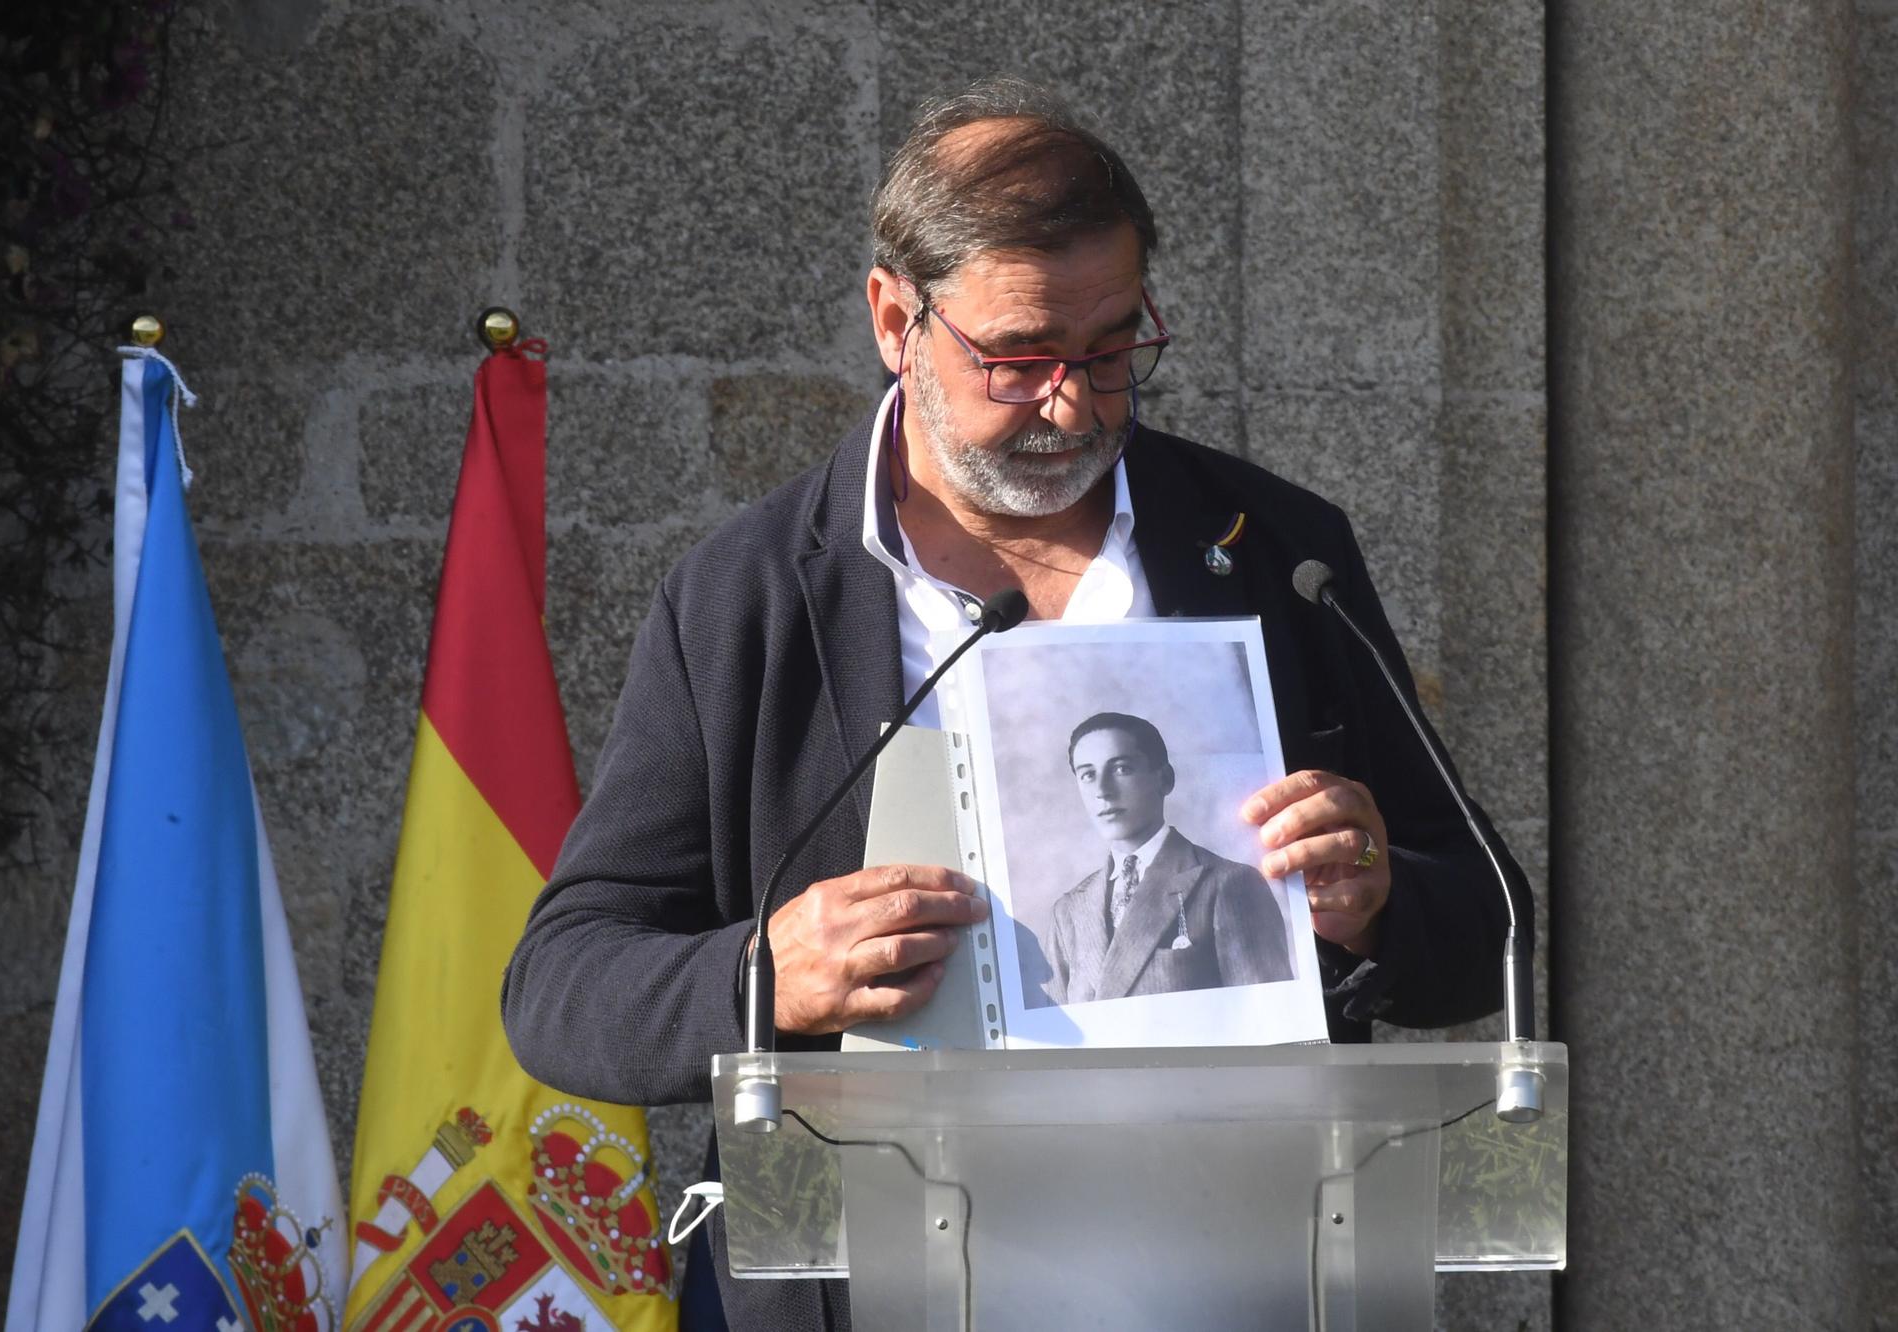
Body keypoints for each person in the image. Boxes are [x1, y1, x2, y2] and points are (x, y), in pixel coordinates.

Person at [503, 76, 1524, 1332]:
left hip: (1231, 1266)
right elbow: (561, 984)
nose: (1072, 404)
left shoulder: (1273, 550)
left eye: (1111, 350)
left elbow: (1486, 917)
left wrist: (1373, 898)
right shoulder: (748, 593)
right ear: (895, 319)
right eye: (1020, 357)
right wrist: (768, 974)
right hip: (862, 1278)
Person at [1037, 712, 1292, 1007]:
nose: (1102, 792)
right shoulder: (1069, 910)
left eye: (1121, 769)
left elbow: (1269, 1015)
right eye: (1088, 775)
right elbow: (1055, 1028)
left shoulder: (1228, 884)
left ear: (1164, 779)